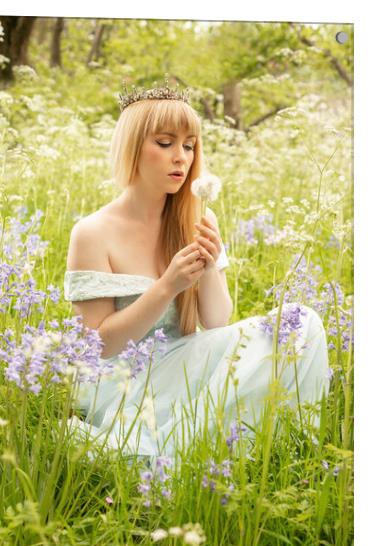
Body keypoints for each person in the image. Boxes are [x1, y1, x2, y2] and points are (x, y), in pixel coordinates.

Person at [63, 79, 330, 462]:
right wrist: (167, 286)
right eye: (165, 142)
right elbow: (98, 346)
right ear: (132, 146)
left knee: (302, 323)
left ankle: (283, 450)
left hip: (184, 361)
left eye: (189, 146)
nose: (181, 158)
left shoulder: (199, 217)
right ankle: (186, 454)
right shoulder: (92, 232)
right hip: (121, 378)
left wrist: (206, 266)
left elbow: (218, 322)